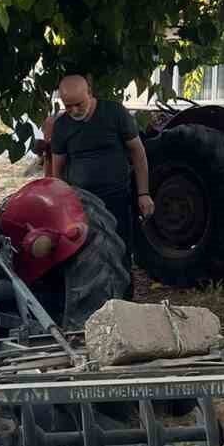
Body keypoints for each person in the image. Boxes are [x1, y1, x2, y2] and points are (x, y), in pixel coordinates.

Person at [48, 73, 155, 289]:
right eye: (67, 106)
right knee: (85, 254)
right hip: (81, 203)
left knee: (121, 251)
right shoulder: (62, 126)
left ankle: (124, 300)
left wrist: (144, 193)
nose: (74, 111)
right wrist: (59, 204)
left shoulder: (114, 113)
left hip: (117, 197)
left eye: (79, 104)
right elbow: (56, 169)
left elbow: (138, 153)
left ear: (90, 93)